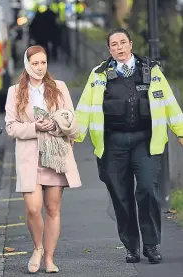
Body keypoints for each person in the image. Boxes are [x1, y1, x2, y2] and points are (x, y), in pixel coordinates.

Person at [74, 28, 183, 264]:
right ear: (109, 49)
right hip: (113, 144)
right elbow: (84, 108)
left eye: (123, 42)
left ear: (131, 44)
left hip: (145, 141)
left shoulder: (151, 70)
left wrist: (180, 131)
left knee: (147, 190)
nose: (119, 47)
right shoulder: (99, 74)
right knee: (121, 196)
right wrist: (73, 136)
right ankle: (131, 246)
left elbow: (169, 103)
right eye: (114, 44)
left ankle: (151, 245)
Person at [5, 45, 81, 273]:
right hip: (30, 157)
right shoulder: (15, 91)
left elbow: (71, 119)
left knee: (53, 209)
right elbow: (10, 127)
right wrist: (34, 127)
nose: (39, 68)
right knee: (32, 208)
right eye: (35, 63)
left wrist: (56, 124)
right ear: (27, 65)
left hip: (56, 155)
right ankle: (37, 247)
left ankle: (49, 258)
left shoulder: (59, 88)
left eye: (43, 63)